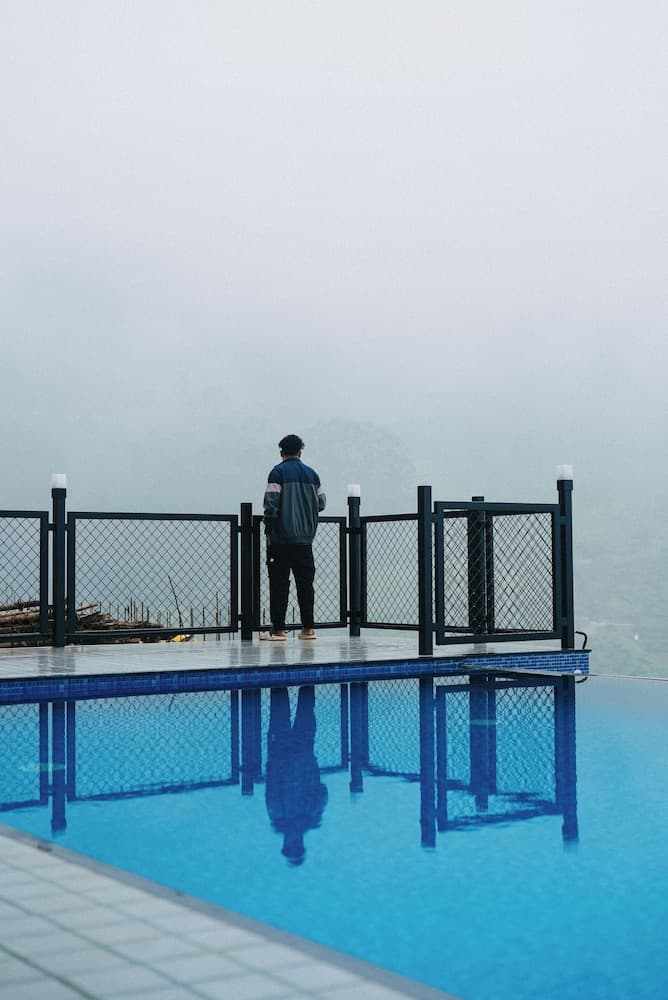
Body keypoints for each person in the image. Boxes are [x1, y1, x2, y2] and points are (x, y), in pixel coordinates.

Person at [261, 433, 326, 641]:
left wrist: (268, 532)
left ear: (281, 453)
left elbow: (271, 504)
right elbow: (322, 503)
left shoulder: (277, 473)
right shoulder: (312, 475)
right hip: (305, 541)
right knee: (305, 585)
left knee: (279, 584)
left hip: (281, 540)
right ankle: (308, 629)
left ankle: (278, 630)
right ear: (300, 452)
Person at [264, 686, 328, 865]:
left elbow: (323, 792)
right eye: (296, 845)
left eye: (291, 845)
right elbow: (322, 792)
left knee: (289, 709)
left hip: (288, 754)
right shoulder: (310, 817)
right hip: (297, 754)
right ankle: (297, 669)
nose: (293, 841)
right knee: (289, 709)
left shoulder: (283, 817)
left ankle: (283, 670)